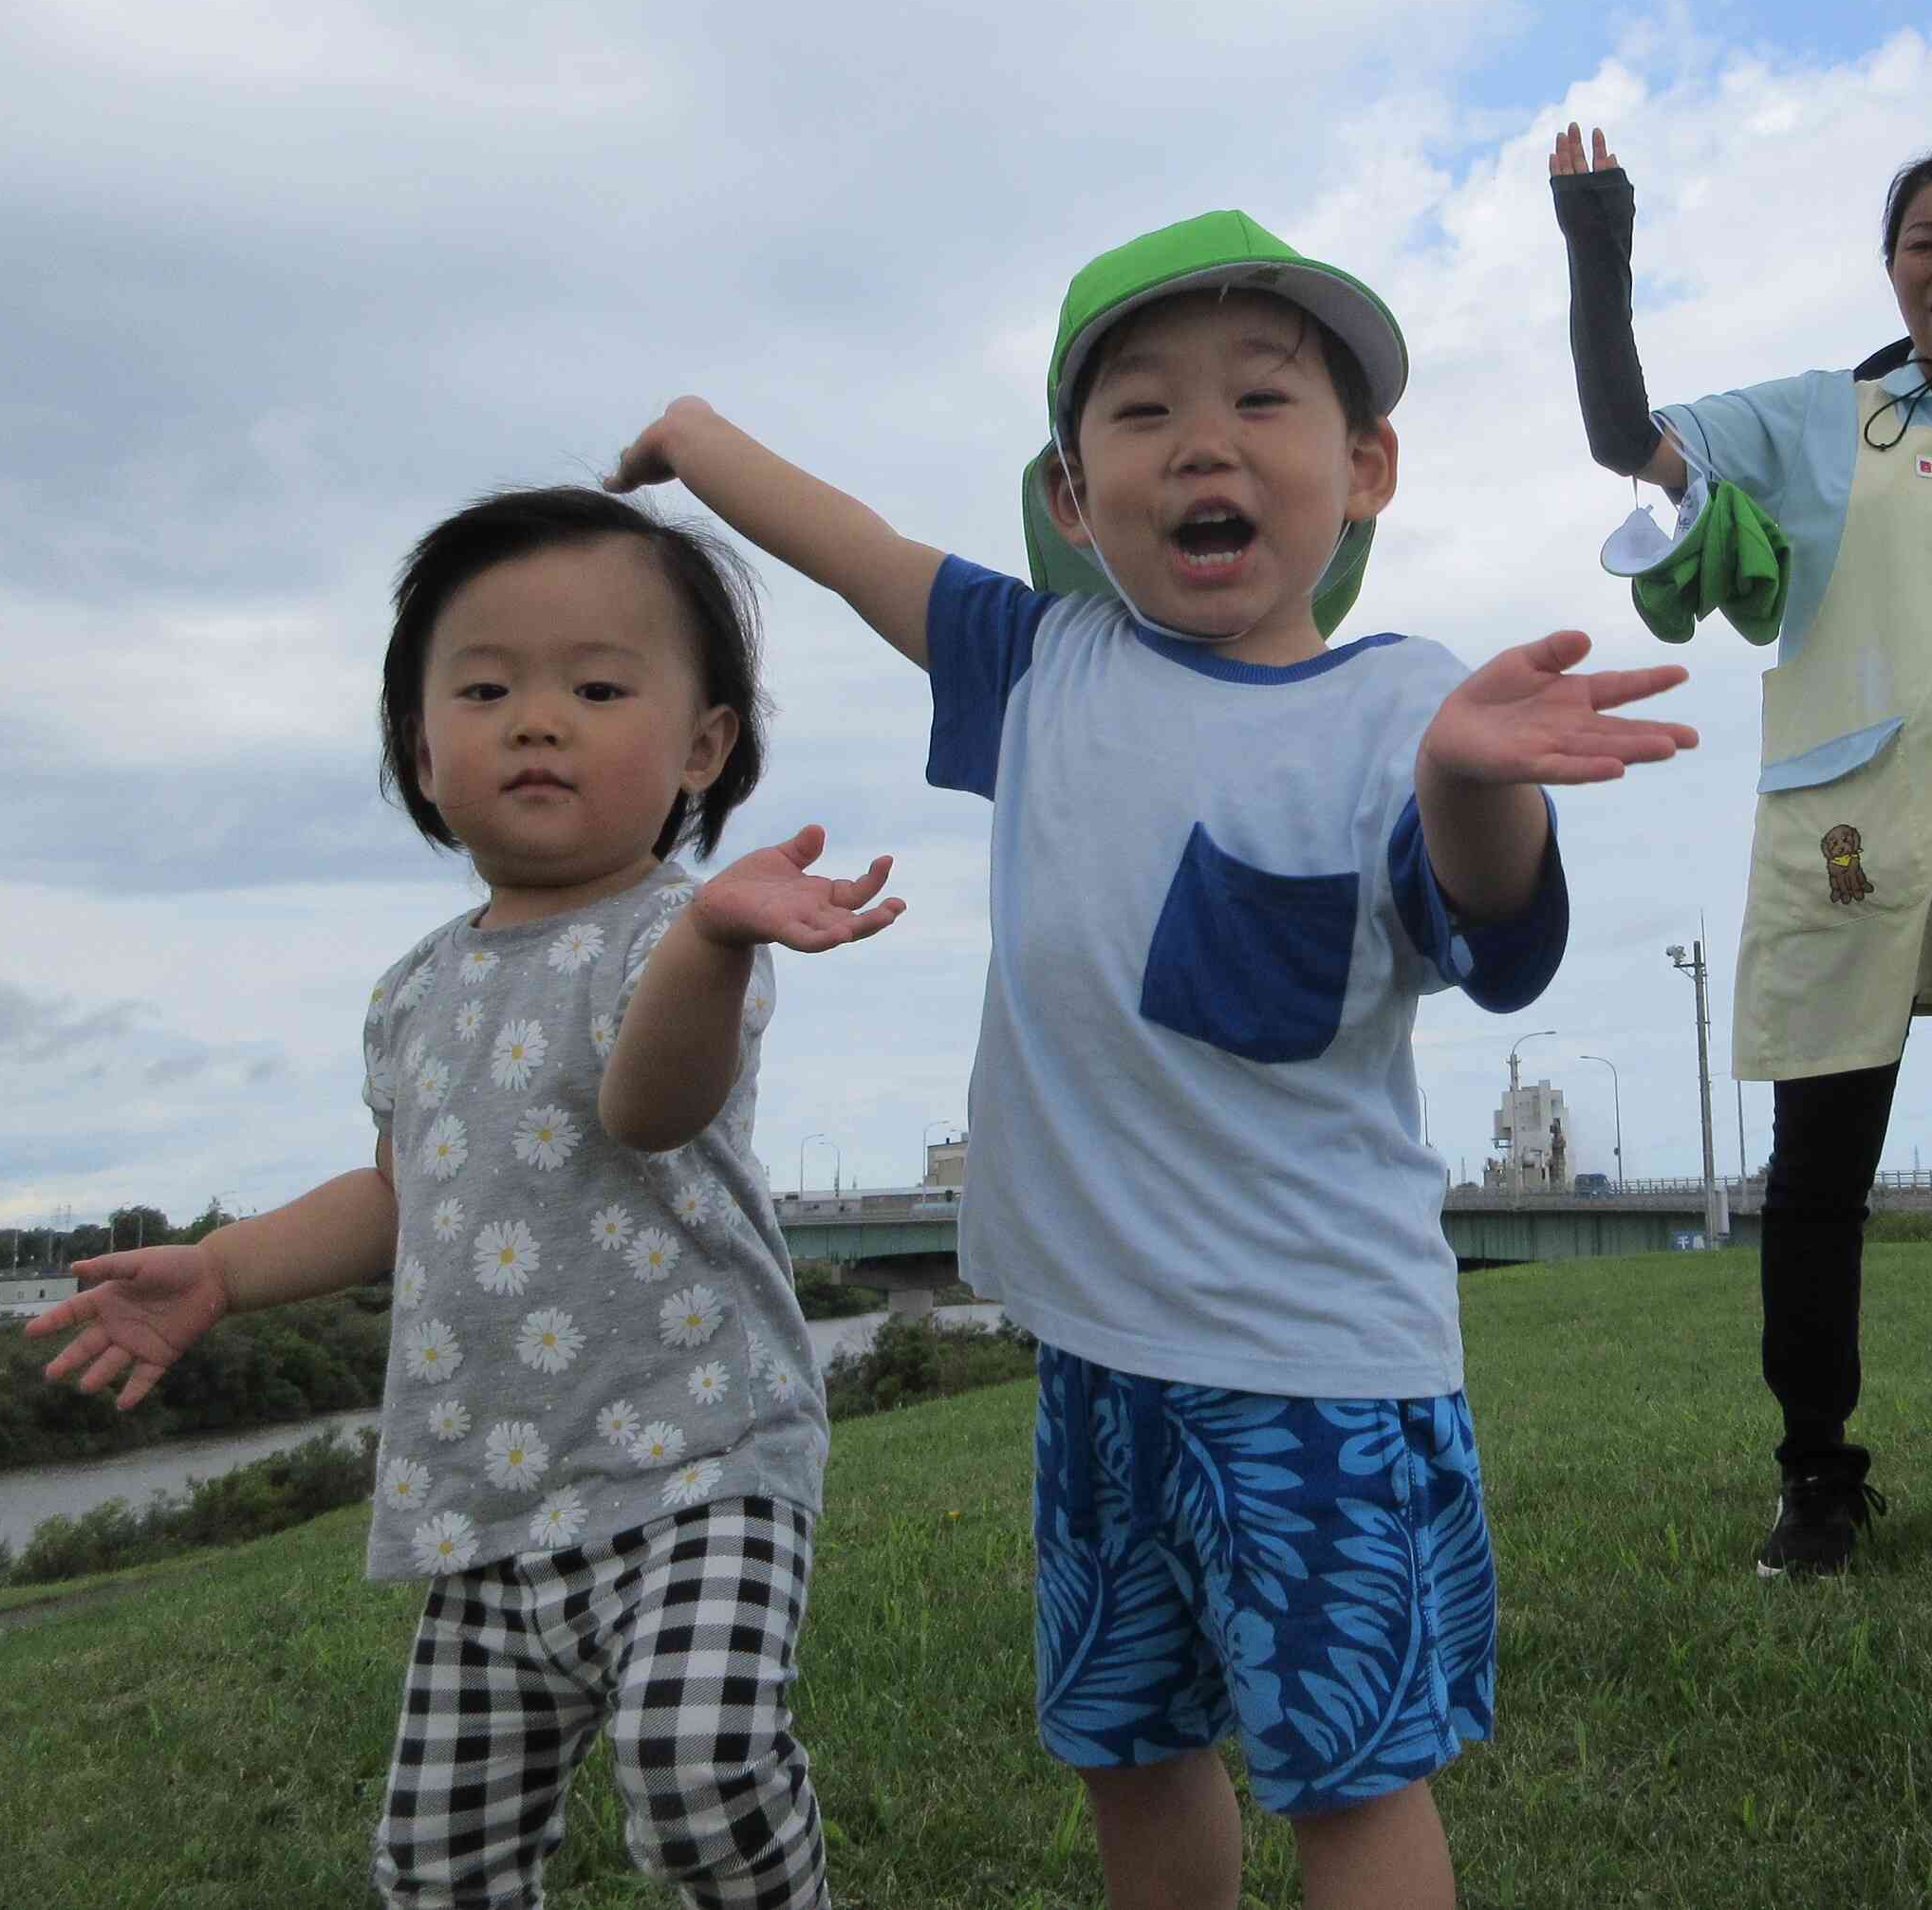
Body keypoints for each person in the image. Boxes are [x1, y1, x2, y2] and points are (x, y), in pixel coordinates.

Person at [607, 209, 1694, 1910]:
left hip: (1316, 1365)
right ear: (1067, 496)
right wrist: (693, 442)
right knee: (1129, 1744)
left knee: (1349, 1773)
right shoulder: (1044, 665)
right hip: (1097, 1359)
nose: (1203, 442)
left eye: (1262, 402)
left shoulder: (1401, 706)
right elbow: (855, 549)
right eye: (1140, 413)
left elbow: (1490, 943)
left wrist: (1475, 782)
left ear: (1366, 465)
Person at [29, 485, 902, 1910]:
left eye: (597, 685)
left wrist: (717, 940)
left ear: (703, 745)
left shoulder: (677, 940)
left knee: (698, 1767)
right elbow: (400, 1194)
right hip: (481, 1497)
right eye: (485, 687)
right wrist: (226, 1270)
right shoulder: (414, 991)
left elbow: (649, 1104)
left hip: (699, 1457)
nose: (537, 718)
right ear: (421, 753)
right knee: (438, 1865)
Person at [1549, 125, 1932, 1569]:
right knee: (1817, 1174)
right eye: (1923, 245)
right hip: (1847, 830)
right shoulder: (1821, 420)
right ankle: (1817, 1476)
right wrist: (1600, 243)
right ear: (1890, 272)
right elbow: (1621, 438)